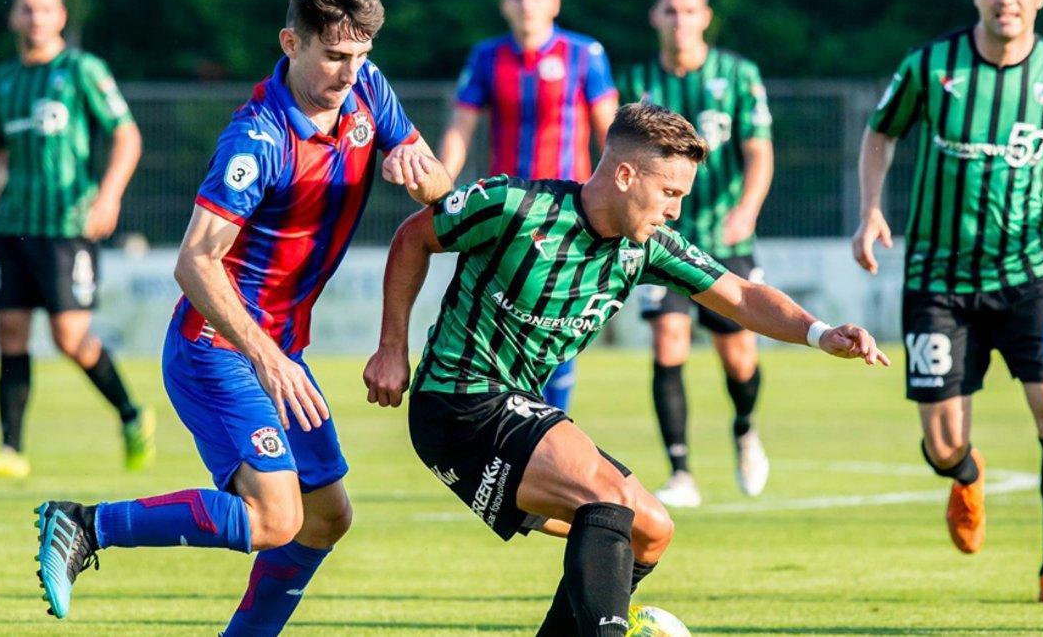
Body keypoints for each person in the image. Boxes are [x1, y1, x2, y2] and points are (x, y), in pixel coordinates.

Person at [31, 0, 452, 631]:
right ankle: (84, 524)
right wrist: (266, 356)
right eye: (335, 56)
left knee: (326, 516)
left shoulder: (369, 90)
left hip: (278, 350)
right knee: (276, 515)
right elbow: (194, 261)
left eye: (362, 54)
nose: (350, 72)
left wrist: (418, 177)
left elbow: (441, 189)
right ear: (292, 42)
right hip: (218, 348)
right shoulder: (258, 138)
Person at [365, 102, 887, 636]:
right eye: (669, 194)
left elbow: (741, 295)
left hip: (511, 409)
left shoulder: (647, 249)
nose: (676, 211)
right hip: (459, 400)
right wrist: (391, 348)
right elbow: (414, 236)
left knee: (651, 531)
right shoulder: (515, 206)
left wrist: (821, 333)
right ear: (624, 175)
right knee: (606, 498)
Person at [852, 0, 1043, 605]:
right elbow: (880, 130)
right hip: (936, 279)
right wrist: (871, 208)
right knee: (943, 441)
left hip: (1031, 273)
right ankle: (967, 475)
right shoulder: (931, 65)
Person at [0, 0, 151, 479]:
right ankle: (10, 452)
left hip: (68, 225)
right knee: (10, 332)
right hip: (14, 225)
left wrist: (109, 196)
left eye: (46, 9)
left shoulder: (82, 69)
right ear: (13, 18)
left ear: (62, 16)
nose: (36, 18)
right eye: (26, 9)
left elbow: (126, 135)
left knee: (70, 337)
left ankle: (132, 416)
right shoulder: (1, 82)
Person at [619, 0, 775, 507]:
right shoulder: (639, 86)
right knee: (668, 342)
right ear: (655, 17)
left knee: (739, 359)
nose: (680, 20)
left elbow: (758, 151)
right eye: (670, 10)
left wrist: (747, 210)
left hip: (726, 239)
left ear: (705, 16)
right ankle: (681, 471)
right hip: (659, 236)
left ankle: (745, 429)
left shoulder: (737, 75)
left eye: (689, 10)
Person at [437, 0, 619, 412]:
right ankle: (510, 423)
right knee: (501, 320)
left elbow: (611, 134)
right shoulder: (486, 57)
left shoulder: (585, 54)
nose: (528, 4)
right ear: (504, 5)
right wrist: (439, 185)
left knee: (555, 320)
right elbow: (460, 129)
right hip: (507, 210)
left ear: (554, 2)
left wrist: (617, 195)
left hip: (569, 211)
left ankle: (551, 423)